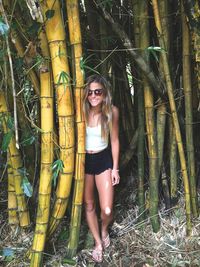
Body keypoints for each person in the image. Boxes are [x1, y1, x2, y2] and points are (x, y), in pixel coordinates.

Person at [83, 74, 120, 263]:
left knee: (106, 210)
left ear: (104, 93)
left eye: (98, 91)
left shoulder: (111, 112)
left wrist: (115, 168)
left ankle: (104, 228)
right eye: (90, 92)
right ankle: (98, 242)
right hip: (84, 161)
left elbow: (114, 140)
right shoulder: (80, 111)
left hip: (103, 158)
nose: (93, 96)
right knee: (89, 205)